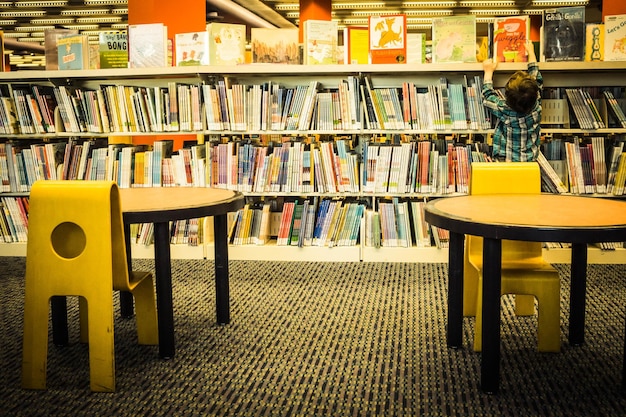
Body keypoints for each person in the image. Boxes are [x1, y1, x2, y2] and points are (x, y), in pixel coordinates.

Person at [482, 40, 543, 162]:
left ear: (507, 97)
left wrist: (488, 71)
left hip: (506, 164)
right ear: (535, 93)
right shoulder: (536, 106)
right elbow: (536, 78)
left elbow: (487, 96)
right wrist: (531, 51)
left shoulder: (505, 110)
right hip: (529, 163)